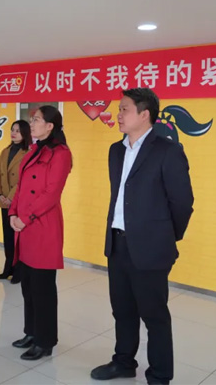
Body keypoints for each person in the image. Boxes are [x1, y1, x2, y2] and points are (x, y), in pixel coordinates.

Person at [91, 88, 194, 385]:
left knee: (154, 315)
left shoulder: (167, 151)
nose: (118, 115)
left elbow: (182, 202)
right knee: (122, 310)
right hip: (117, 242)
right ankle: (123, 362)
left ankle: (160, 375)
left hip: (151, 247)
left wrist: (166, 236)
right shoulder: (116, 150)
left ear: (144, 114)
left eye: (124, 109)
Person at [9, 106, 72, 361]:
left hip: (43, 226)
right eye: (32, 119)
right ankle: (31, 332)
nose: (31, 123)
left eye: (36, 120)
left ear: (50, 126)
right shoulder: (33, 150)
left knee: (43, 288)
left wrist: (25, 218)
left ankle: (45, 341)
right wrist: (13, 213)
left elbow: (51, 193)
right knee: (28, 286)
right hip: (24, 226)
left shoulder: (61, 153)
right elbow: (21, 187)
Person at [0, 120, 32, 283]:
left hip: (18, 201)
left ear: (25, 133)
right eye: (12, 130)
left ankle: (19, 271)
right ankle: (8, 267)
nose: (13, 133)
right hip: (5, 201)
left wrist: (10, 197)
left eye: (17, 130)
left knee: (19, 238)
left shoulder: (29, 152)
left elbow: (24, 179)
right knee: (8, 237)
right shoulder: (5, 151)